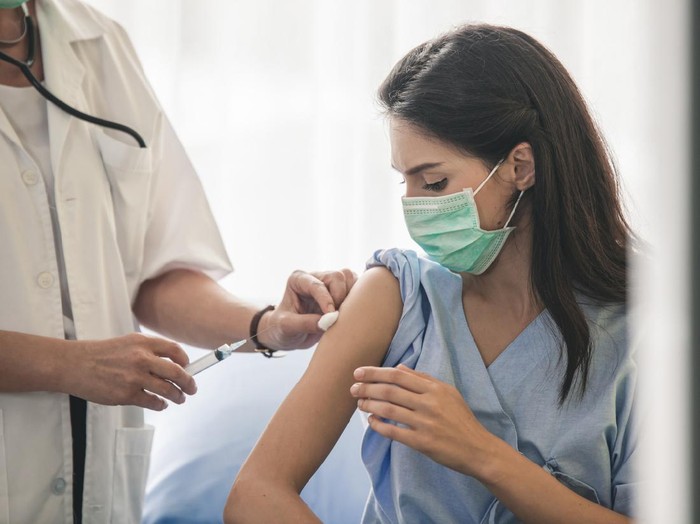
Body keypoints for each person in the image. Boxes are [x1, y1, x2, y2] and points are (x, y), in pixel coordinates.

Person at [225, 23, 638, 523]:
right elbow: (256, 492)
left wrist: (482, 454)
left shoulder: (640, 336)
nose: (413, 207)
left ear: (521, 166)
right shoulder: (395, 297)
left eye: (435, 181)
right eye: (405, 182)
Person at [0, 0, 356, 522]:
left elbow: (153, 271)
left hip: (93, 467)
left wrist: (265, 326)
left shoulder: (100, 43)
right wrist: (68, 365)